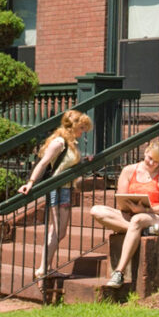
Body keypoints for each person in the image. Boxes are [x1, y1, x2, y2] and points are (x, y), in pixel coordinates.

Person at [17, 108, 93, 280]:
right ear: (73, 126)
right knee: (56, 230)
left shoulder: (71, 143)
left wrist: (83, 161)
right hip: (57, 189)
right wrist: (30, 183)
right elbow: (43, 163)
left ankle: (46, 267)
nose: (83, 132)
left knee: (60, 231)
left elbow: (66, 164)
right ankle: (43, 268)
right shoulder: (59, 142)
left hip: (65, 188)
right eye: (82, 128)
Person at [90, 139, 159, 289]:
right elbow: (120, 197)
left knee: (137, 219)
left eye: (156, 161)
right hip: (131, 214)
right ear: (146, 152)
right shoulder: (129, 170)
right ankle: (140, 232)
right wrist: (128, 206)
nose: (151, 163)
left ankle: (119, 272)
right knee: (96, 210)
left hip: (154, 217)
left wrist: (146, 210)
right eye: (150, 158)